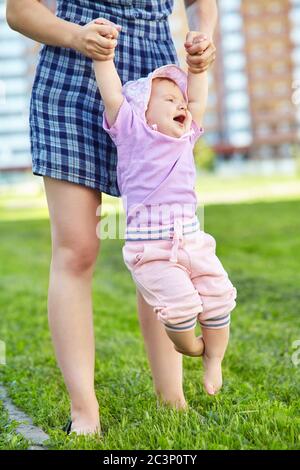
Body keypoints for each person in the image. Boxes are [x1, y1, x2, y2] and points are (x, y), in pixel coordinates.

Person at [6, 0, 218, 436]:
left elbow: (202, 4)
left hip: (156, 80)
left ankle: (172, 399)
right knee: (77, 250)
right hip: (71, 74)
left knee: (160, 242)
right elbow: (19, 10)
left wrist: (204, 34)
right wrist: (75, 35)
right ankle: (85, 411)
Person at [94, 29, 237, 409]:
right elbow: (113, 94)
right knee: (180, 311)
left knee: (219, 298)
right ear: (142, 109)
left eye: (181, 99)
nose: (182, 104)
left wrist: (196, 69)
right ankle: (192, 347)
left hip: (193, 241)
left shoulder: (184, 136)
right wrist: (102, 58)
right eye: (170, 98)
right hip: (152, 250)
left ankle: (214, 359)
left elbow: (199, 99)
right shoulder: (130, 130)